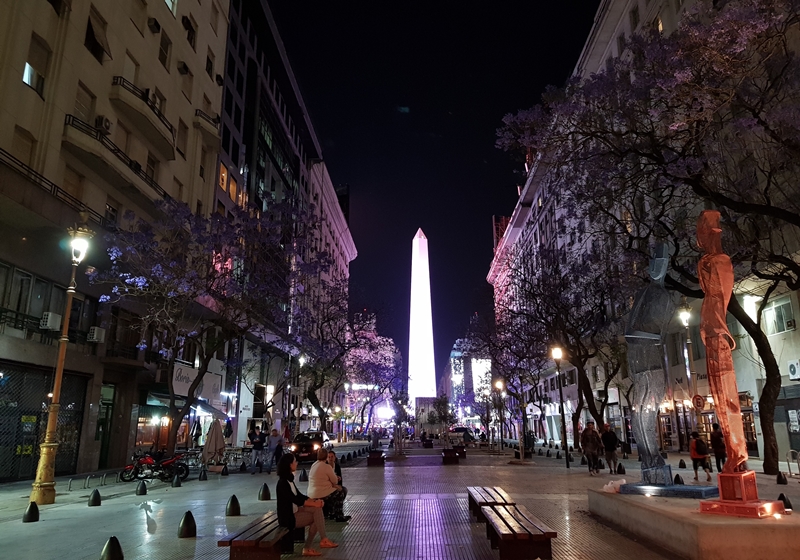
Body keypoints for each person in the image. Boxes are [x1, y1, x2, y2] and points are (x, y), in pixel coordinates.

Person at [276, 453, 338, 557]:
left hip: (294, 511)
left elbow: (300, 496)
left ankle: (320, 541)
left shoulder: (289, 480)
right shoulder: (283, 483)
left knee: (317, 511)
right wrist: (315, 503)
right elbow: (296, 500)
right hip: (288, 518)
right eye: (295, 461)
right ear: (289, 465)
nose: (297, 463)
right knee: (316, 515)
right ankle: (314, 544)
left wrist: (315, 501)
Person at [307, 448, 350, 522]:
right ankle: (339, 516)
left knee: (333, 493)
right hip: (321, 493)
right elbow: (335, 481)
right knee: (340, 493)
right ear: (326, 456)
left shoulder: (314, 465)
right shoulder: (326, 467)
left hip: (311, 493)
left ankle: (331, 512)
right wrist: (335, 479)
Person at [325, 450, 348, 519]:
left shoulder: (337, 467)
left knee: (344, 490)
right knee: (338, 492)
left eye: (332, 457)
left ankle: (337, 508)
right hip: (329, 486)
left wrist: (339, 485)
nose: (330, 458)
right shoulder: (325, 467)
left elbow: (340, 479)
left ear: (335, 457)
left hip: (336, 485)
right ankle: (333, 511)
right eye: (329, 457)